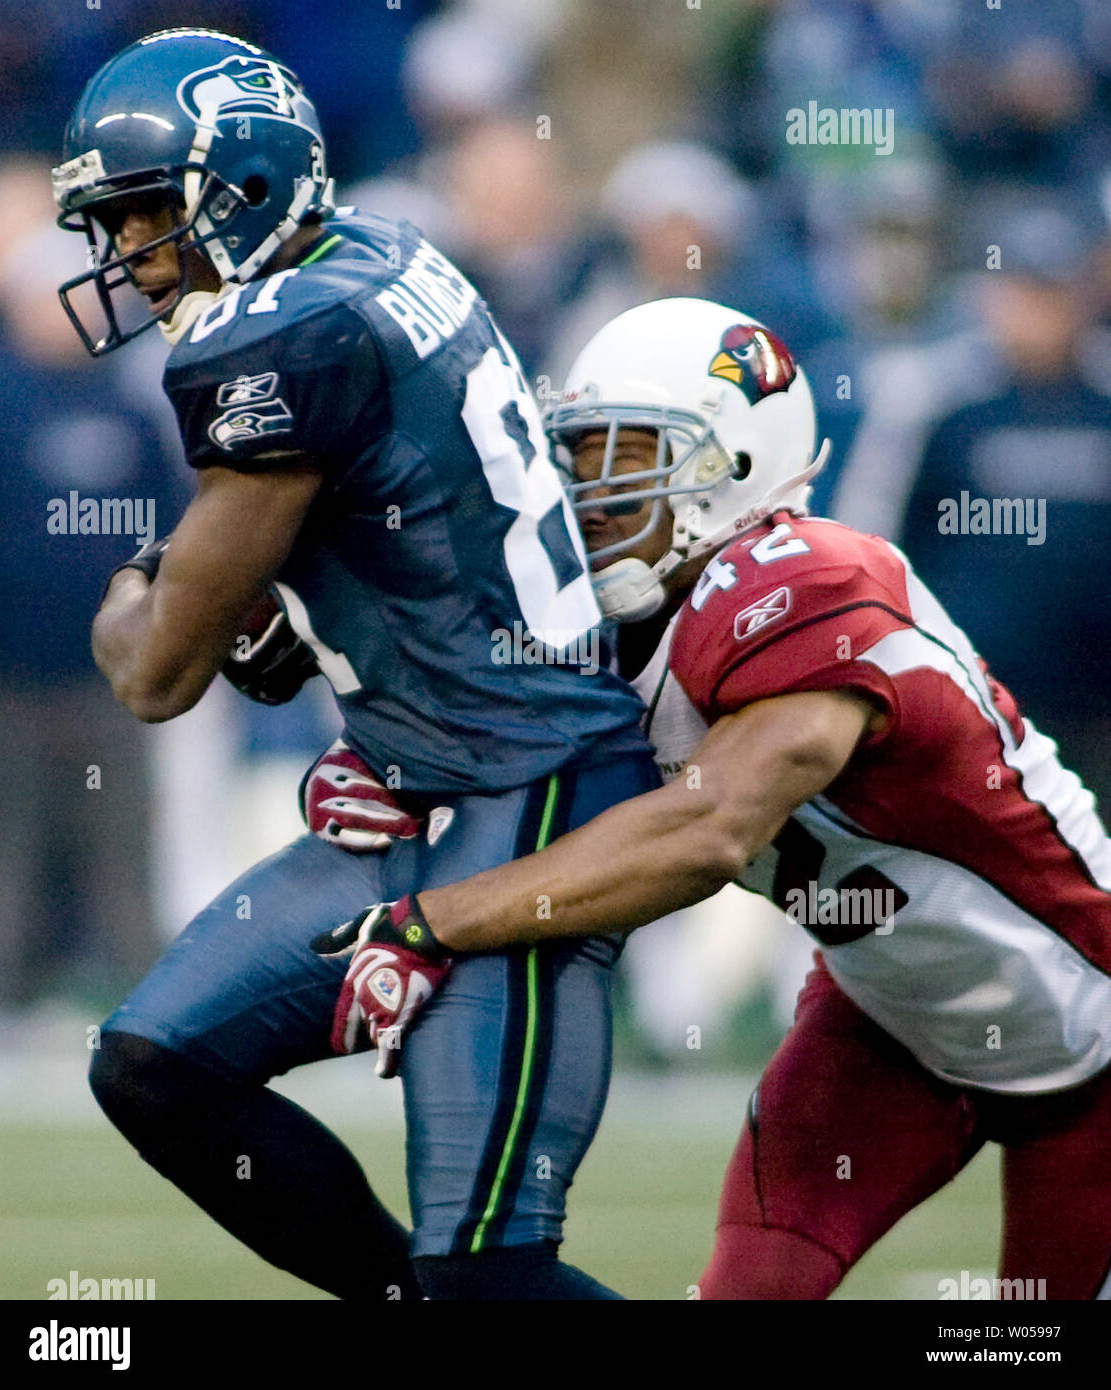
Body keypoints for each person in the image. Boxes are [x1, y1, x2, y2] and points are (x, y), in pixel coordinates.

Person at [329, 297, 1111, 1301]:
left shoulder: (809, 579)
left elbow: (709, 828)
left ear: (732, 464)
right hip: (885, 1023)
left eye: (624, 453)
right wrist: (380, 748)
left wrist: (433, 925)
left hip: (1088, 1041)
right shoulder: (620, 618)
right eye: (577, 454)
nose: (589, 489)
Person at [55, 28, 656, 1301]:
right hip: (424, 776)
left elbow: (156, 674)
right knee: (155, 1064)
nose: (128, 254)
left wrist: (138, 582)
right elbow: (384, 533)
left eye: (148, 215)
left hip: (530, 790)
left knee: (486, 1273)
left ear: (245, 190)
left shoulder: (283, 338)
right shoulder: (379, 253)